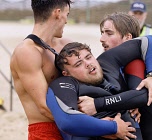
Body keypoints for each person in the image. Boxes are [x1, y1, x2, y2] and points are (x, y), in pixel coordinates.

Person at [10, 1, 134, 139]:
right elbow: (44, 107)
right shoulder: (28, 52)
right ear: (57, 13)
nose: (67, 21)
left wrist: (129, 103)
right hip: (49, 129)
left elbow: (93, 78)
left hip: (81, 122)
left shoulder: (66, 45)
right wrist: (98, 126)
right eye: (66, 14)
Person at [47, 36, 152, 140]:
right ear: (66, 73)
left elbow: (148, 41)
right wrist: (113, 128)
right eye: (78, 64)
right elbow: (67, 121)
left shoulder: (107, 62)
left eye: (88, 57)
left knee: (142, 65)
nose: (88, 64)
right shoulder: (65, 84)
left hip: (136, 131)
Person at [79, 12, 152, 140]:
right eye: (102, 33)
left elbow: (139, 97)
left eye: (109, 33)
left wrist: (96, 104)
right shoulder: (111, 66)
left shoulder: (137, 63)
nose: (102, 38)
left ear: (128, 38)